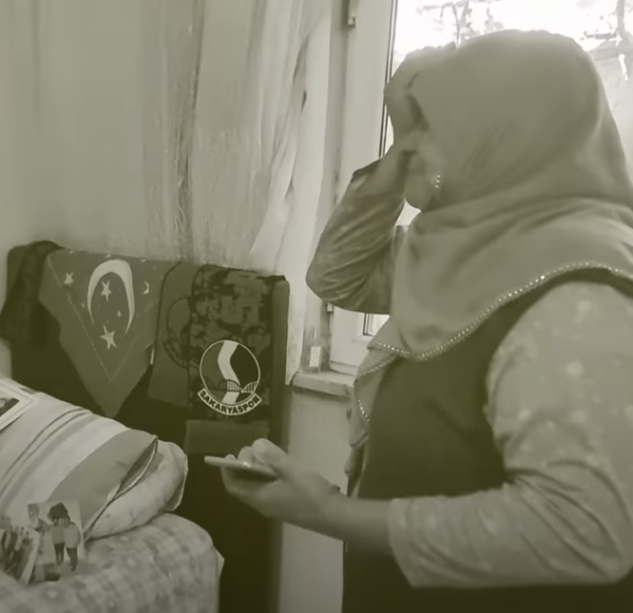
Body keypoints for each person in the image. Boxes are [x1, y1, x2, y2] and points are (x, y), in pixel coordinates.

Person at [220, 30, 633, 613]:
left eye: (436, 129)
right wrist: (402, 152)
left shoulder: (582, 292)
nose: (418, 149)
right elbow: (338, 276)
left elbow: (579, 531)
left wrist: (327, 513)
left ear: (503, 136)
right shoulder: (465, 250)